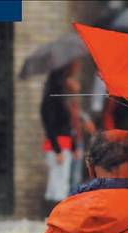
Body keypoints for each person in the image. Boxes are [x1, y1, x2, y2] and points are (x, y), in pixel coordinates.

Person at [40, 61, 82, 211]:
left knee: (60, 181)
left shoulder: (61, 99)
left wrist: (73, 146)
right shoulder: (52, 100)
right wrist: (57, 150)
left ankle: (53, 213)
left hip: (63, 145)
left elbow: (69, 126)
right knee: (58, 182)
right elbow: (50, 126)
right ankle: (54, 213)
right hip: (58, 146)